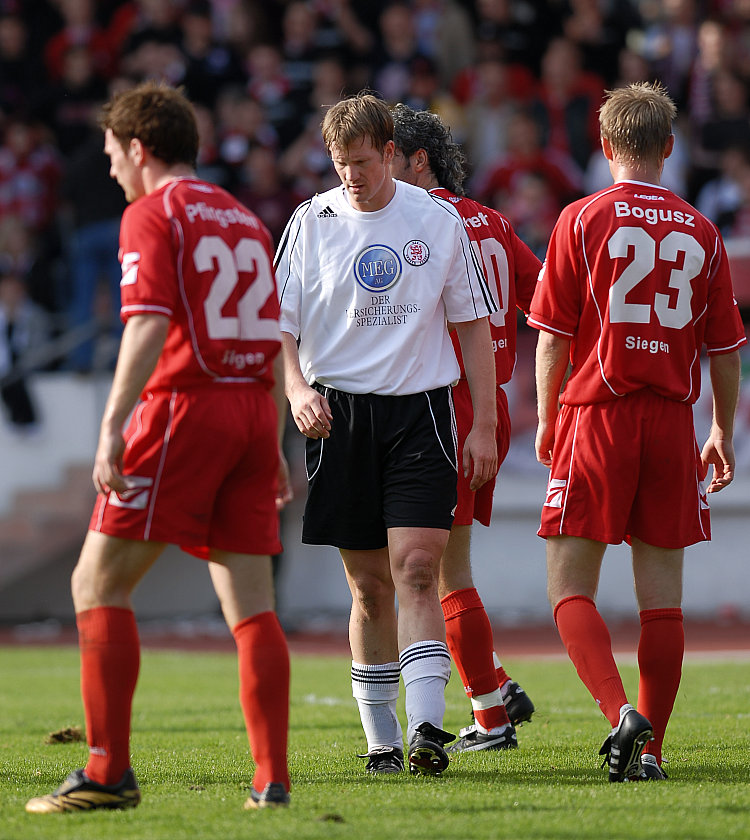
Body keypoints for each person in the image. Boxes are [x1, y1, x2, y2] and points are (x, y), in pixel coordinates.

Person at [26, 82, 292, 813]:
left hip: (186, 407)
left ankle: (107, 772)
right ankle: (271, 781)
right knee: (251, 605)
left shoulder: (152, 212)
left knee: (96, 585)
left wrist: (113, 423)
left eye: (113, 154)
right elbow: (269, 342)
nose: (111, 169)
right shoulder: (243, 218)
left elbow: (146, 324)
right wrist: (270, 445)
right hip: (246, 413)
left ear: (139, 149)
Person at [275, 92, 498, 776]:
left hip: (420, 411)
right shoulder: (310, 222)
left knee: (420, 569)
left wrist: (484, 421)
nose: (351, 175)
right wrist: (296, 390)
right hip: (339, 417)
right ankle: (382, 741)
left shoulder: (434, 220)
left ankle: (429, 731)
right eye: (341, 163)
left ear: (392, 153)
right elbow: (279, 327)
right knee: (369, 588)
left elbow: (473, 327)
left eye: (364, 162)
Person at [529, 82, 746, 783]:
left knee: (569, 590)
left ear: (606, 145)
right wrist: (720, 428)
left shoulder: (581, 217)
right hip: (671, 422)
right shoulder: (703, 230)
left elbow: (552, 340)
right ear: (670, 147)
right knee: (665, 600)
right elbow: (725, 349)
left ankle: (623, 714)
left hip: (599, 413)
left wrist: (545, 419)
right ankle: (649, 755)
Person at [389, 103, 540, 753]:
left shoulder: (422, 225)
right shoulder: (495, 222)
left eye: (388, 155)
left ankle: (491, 712)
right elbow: (549, 302)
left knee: (435, 572)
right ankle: (493, 690)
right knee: (445, 569)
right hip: (491, 405)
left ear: (417, 160)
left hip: (446, 407)